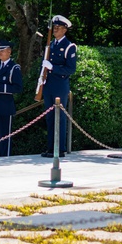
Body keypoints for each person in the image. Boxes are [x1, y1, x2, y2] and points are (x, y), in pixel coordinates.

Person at [39, 15, 77, 157]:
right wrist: (42, 77)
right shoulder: (51, 45)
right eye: (54, 27)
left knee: (59, 117)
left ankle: (59, 149)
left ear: (65, 30)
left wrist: (53, 68)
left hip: (60, 86)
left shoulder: (69, 47)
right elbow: (44, 64)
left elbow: (70, 69)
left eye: (58, 28)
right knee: (49, 117)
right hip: (48, 84)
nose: (55, 30)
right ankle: (51, 148)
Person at [0, 40, 23, 157]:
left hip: (6, 106)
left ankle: (5, 159)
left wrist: (0, 86)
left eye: (2, 51)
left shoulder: (14, 68)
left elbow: (18, 88)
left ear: (9, 51)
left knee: (4, 136)